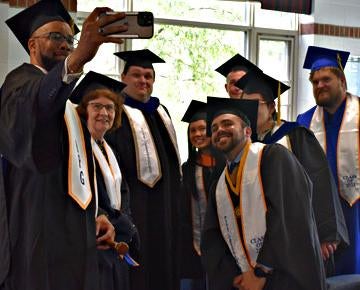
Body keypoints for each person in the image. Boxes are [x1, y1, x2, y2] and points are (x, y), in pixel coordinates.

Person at [0, 1, 129, 289]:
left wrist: (98, 214)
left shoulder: (69, 105)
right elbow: (36, 104)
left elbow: (79, 171)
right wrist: (77, 60)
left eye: (70, 40)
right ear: (32, 44)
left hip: (74, 234)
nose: (66, 45)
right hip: (38, 228)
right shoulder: (19, 82)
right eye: (55, 36)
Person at [201, 96, 326, 290]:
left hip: (283, 276)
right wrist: (236, 275)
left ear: (248, 131)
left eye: (227, 123)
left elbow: (289, 216)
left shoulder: (274, 157)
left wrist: (261, 271)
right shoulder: (219, 185)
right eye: (214, 128)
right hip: (245, 282)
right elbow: (212, 236)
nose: (219, 130)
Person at [234, 69, 349, 276]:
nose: (248, 111)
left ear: (271, 107)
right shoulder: (243, 146)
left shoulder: (295, 135)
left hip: (300, 237)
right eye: (243, 106)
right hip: (259, 241)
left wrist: (326, 235)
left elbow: (320, 181)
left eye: (255, 104)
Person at [106, 49, 182, 290]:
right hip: (135, 206)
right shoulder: (115, 113)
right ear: (123, 77)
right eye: (137, 75)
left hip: (165, 207)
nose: (143, 81)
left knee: (164, 261)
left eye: (148, 76)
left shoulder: (162, 112)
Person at [72, 71, 140, 290]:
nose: (104, 113)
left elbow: (124, 194)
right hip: (94, 243)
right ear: (84, 111)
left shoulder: (109, 149)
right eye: (96, 106)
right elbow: (83, 194)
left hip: (116, 242)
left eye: (110, 107)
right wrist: (120, 224)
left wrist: (126, 226)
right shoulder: (77, 149)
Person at [297, 46, 360, 275]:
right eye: (315, 82)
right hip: (321, 217)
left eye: (326, 79)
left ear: (342, 80)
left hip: (357, 211)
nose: (320, 85)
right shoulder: (304, 122)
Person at [179, 100, 225, 290]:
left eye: (202, 129)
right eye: (193, 130)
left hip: (226, 244)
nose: (197, 134)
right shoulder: (186, 169)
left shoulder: (227, 165)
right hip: (193, 244)